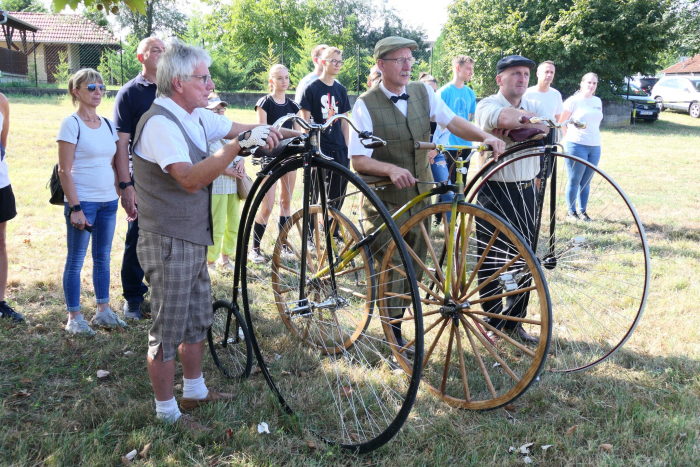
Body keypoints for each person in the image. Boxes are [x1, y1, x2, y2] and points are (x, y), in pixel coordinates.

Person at [131, 39, 286, 433]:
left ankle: (195, 390)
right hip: (167, 238)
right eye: (203, 77)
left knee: (197, 316)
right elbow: (187, 179)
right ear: (179, 82)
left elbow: (244, 128)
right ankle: (167, 413)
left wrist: (286, 129)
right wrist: (236, 147)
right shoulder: (160, 123)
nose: (211, 84)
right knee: (168, 328)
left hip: (191, 236)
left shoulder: (194, 115)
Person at [349, 36, 504, 350]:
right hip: (385, 198)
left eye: (409, 59)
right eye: (399, 60)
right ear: (381, 65)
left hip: (421, 194)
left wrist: (485, 136)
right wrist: (390, 169)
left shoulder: (422, 92)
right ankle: (392, 331)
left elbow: (453, 121)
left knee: (418, 259)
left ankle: (402, 315)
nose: (407, 66)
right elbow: (357, 159)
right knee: (393, 262)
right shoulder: (365, 104)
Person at [473, 55, 549, 344]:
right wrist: (529, 128)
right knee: (492, 259)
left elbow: (549, 127)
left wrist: (523, 127)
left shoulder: (536, 105)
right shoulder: (486, 105)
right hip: (495, 190)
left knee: (525, 258)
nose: (522, 78)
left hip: (527, 189)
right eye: (515, 73)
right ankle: (492, 321)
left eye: (526, 74)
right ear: (499, 79)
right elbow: (503, 118)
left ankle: (515, 319)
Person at [56, 69, 122, 336]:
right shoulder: (71, 124)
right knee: (75, 260)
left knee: (103, 258)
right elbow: (64, 171)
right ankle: (74, 317)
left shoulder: (107, 123)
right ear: (76, 91)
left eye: (101, 87)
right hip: (84, 203)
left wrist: (122, 192)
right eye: (91, 87)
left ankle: (103, 311)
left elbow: (115, 162)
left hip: (108, 201)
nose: (98, 92)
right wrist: (75, 208)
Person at [113, 36, 166, 321]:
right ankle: (133, 298)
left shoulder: (175, 88)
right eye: (155, 50)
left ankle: (162, 292)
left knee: (168, 237)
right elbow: (121, 143)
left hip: (173, 175)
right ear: (140, 57)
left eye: (164, 50)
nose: (161, 54)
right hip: (141, 178)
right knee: (138, 237)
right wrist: (126, 185)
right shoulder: (130, 93)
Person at [250, 64, 302, 263]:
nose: (285, 81)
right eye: (280, 78)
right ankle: (254, 248)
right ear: (271, 81)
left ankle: (283, 245)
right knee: (268, 204)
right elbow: (263, 130)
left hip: (289, 157)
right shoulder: (264, 102)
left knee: (286, 202)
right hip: (269, 156)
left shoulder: (294, 106)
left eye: (287, 77)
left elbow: (300, 134)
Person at [300, 47, 351, 240]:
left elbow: (345, 121)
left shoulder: (341, 89)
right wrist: (311, 147)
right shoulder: (311, 88)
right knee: (313, 192)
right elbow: (304, 121)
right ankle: (310, 234)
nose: (337, 65)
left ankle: (332, 231)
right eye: (333, 61)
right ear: (322, 62)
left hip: (339, 149)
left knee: (337, 194)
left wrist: (346, 150)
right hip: (319, 148)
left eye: (340, 62)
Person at [206, 92, 246, 270]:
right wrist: (226, 170)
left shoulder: (231, 130)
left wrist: (242, 162)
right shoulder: (205, 133)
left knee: (234, 225)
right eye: (215, 110)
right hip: (217, 187)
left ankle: (226, 258)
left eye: (221, 109)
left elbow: (240, 151)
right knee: (217, 225)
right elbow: (204, 162)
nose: (220, 112)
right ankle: (210, 261)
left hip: (234, 187)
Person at [559, 72, 603, 222]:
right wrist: (568, 139)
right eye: (588, 82)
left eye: (594, 83)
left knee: (587, 180)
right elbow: (561, 122)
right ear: (582, 83)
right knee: (575, 179)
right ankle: (571, 212)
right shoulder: (573, 101)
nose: (591, 86)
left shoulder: (597, 101)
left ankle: (582, 211)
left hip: (595, 146)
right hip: (576, 145)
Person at [436, 55, 478, 183]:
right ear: (458, 68)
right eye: (468, 69)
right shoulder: (443, 92)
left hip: (465, 147)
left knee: (461, 187)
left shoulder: (470, 93)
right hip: (448, 147)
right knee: (446, 189)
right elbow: (437, 121)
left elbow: (468, 118)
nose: (471, 72)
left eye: (472, 69)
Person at [523, 60, 564, 190]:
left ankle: (537, 206)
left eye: (552, 72)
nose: (549, 75)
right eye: (546, 71)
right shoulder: (528, 93)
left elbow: (557, 119)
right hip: (530, 138)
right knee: (528, 174)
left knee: (543, 176)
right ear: (538, 73)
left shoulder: (556, 94)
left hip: (548, 139)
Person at [0, 93, 22, 322]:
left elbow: (1, 144)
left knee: (1, 241)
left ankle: (0, 303)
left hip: (0, 182)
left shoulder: (2, 101)